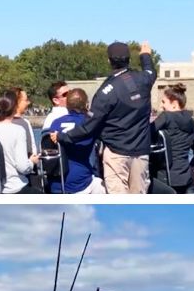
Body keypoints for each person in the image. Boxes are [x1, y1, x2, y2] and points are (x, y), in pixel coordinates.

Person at [51, 41, 157, 194]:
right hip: (141, 153)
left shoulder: (106, 92)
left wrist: (62, 136)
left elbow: (88, 127)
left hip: (116, 154)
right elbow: (150, 70)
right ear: (129, 59)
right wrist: (145, 55)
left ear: (109, 61)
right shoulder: (144, 79)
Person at [0, 89, 41, 194]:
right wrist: (32, 162)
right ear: (15, 107)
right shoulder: (18, 130)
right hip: (15, 187)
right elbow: (23, 167)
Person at [45, 88, 105, 194]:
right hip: (80, 183)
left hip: (56, 183)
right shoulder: (88, 124)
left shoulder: (55, 123)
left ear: (67, 105)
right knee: (100, 185)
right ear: (86, 104)